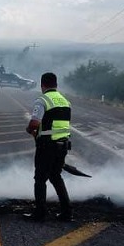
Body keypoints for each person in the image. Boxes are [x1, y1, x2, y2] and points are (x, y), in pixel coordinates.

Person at [25, 72, 72, 222]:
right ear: (56, 84)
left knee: (40, 179)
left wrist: (29, 129)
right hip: (63, 144)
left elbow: (34, 123)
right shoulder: (65, 101)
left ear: (42, 85)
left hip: (47, 146)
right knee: (56, 176)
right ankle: (66, 212)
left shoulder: (43, 100)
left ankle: (40, 213)